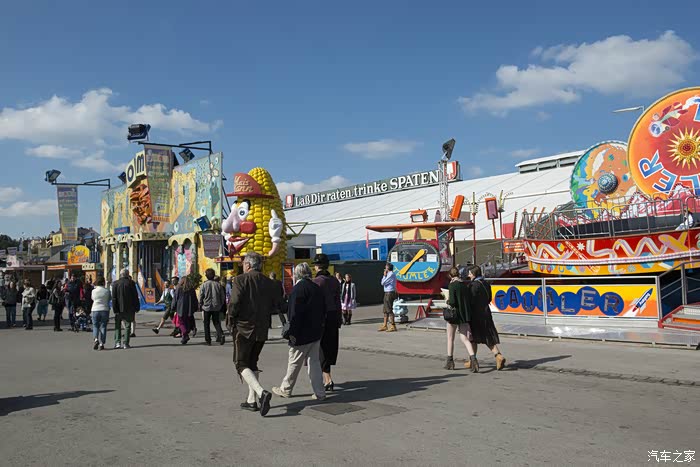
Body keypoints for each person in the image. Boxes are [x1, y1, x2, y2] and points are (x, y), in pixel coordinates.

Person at [229, 252, 281, 416]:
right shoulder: (270, 283)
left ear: (248, 265)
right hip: (262, 328)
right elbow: (278, 304)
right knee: (253, 362)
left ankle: (261, 392)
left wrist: (231, 318)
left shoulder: (240, 279)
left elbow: (234, 302)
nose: (243, 266)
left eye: (244, 263)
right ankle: (251, 400)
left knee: (240, 363)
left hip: (244, 327)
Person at [272, 262, 326, 402]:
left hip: (301, 333)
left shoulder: (298, 289)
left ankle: (286, 389)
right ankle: (320, 392)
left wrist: (292, 333)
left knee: (294, 362)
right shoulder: (316, 288)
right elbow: (323, 309)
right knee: (314, 363)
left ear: (297, 275)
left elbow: (294, 314)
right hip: (316, 332)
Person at [466, 266, 506, 370]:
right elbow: (489, 298)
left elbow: (470, 301)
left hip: (475, 314)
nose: (468, 275)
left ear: (474, 274)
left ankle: (473, 359)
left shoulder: (473, 285)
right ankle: (498, 355)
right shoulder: (486, 283)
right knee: (488, 336)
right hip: (486, 312)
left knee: (473, 338)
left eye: (470, 273)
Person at [312, 254, 342, 392]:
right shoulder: (334, 281)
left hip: (321, 317)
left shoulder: (317, 282)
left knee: (320, 349)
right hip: (333, 316)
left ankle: (327, 379)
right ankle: (327, 378)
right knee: (329, 347)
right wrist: (339, 318)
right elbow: (338, 301)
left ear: (317, 266)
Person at [444, 267, 478, 372]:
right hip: (463, 315)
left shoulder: (452, 285)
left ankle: (450, 361)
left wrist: (447, 300)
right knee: (465, 338)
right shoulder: (464, 285)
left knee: (450, 338)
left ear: (450, 275)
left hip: (454, 315)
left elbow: (453, 302)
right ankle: (473, 359)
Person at [111, 269, 140, 349]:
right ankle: (126, 343)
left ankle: (117, 342)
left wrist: (114, 308)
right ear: (127, 274)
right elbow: (135, 296)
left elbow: (114, 298)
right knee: (128, 325)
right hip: (129, 308)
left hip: (118, 308)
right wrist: (137, 307)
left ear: (120, 274)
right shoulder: (131, 283)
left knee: (117, 326)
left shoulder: (115, 283)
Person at [199, 268, 226, 346]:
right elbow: (222, 296)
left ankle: (208, 340)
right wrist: (220, 304)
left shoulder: (204, 285)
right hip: (216, 306)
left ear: (206, 276)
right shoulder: (218, 285)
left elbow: (201, 296)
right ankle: (221, 334)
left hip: (206, 307)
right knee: (216, 322)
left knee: (206, 323)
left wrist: (200, 304)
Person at [172, 276, 198, 345]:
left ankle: (185, 334)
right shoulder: (191, 289)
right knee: (187, 323)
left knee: (181, 323)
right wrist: (195, 307)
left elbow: (175, 298)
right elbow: (195, 299)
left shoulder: (179, 288)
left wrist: (173, 307)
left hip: (180, 308)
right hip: (189, 308)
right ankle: (184, 337)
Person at [91, 276, 111, 350]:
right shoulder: (107, 291)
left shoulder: (94, 291)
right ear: (103, 282)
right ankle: (102, 343)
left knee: (95, 326)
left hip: (95, 309)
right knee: (103, 326)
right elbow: (109, 299)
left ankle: (96, 339)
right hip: (105, 309)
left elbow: (92, 298)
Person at [379, 263, 398, 332]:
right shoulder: (388, 274)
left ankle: (393, 325)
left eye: (385, 267)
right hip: (386, 292)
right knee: (385, 310)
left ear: (388, 268)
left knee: (389, 309)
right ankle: (385, 325)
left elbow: (383, 283)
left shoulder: (391, 274)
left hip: (389, 293)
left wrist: (384, 276)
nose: (384, 269)